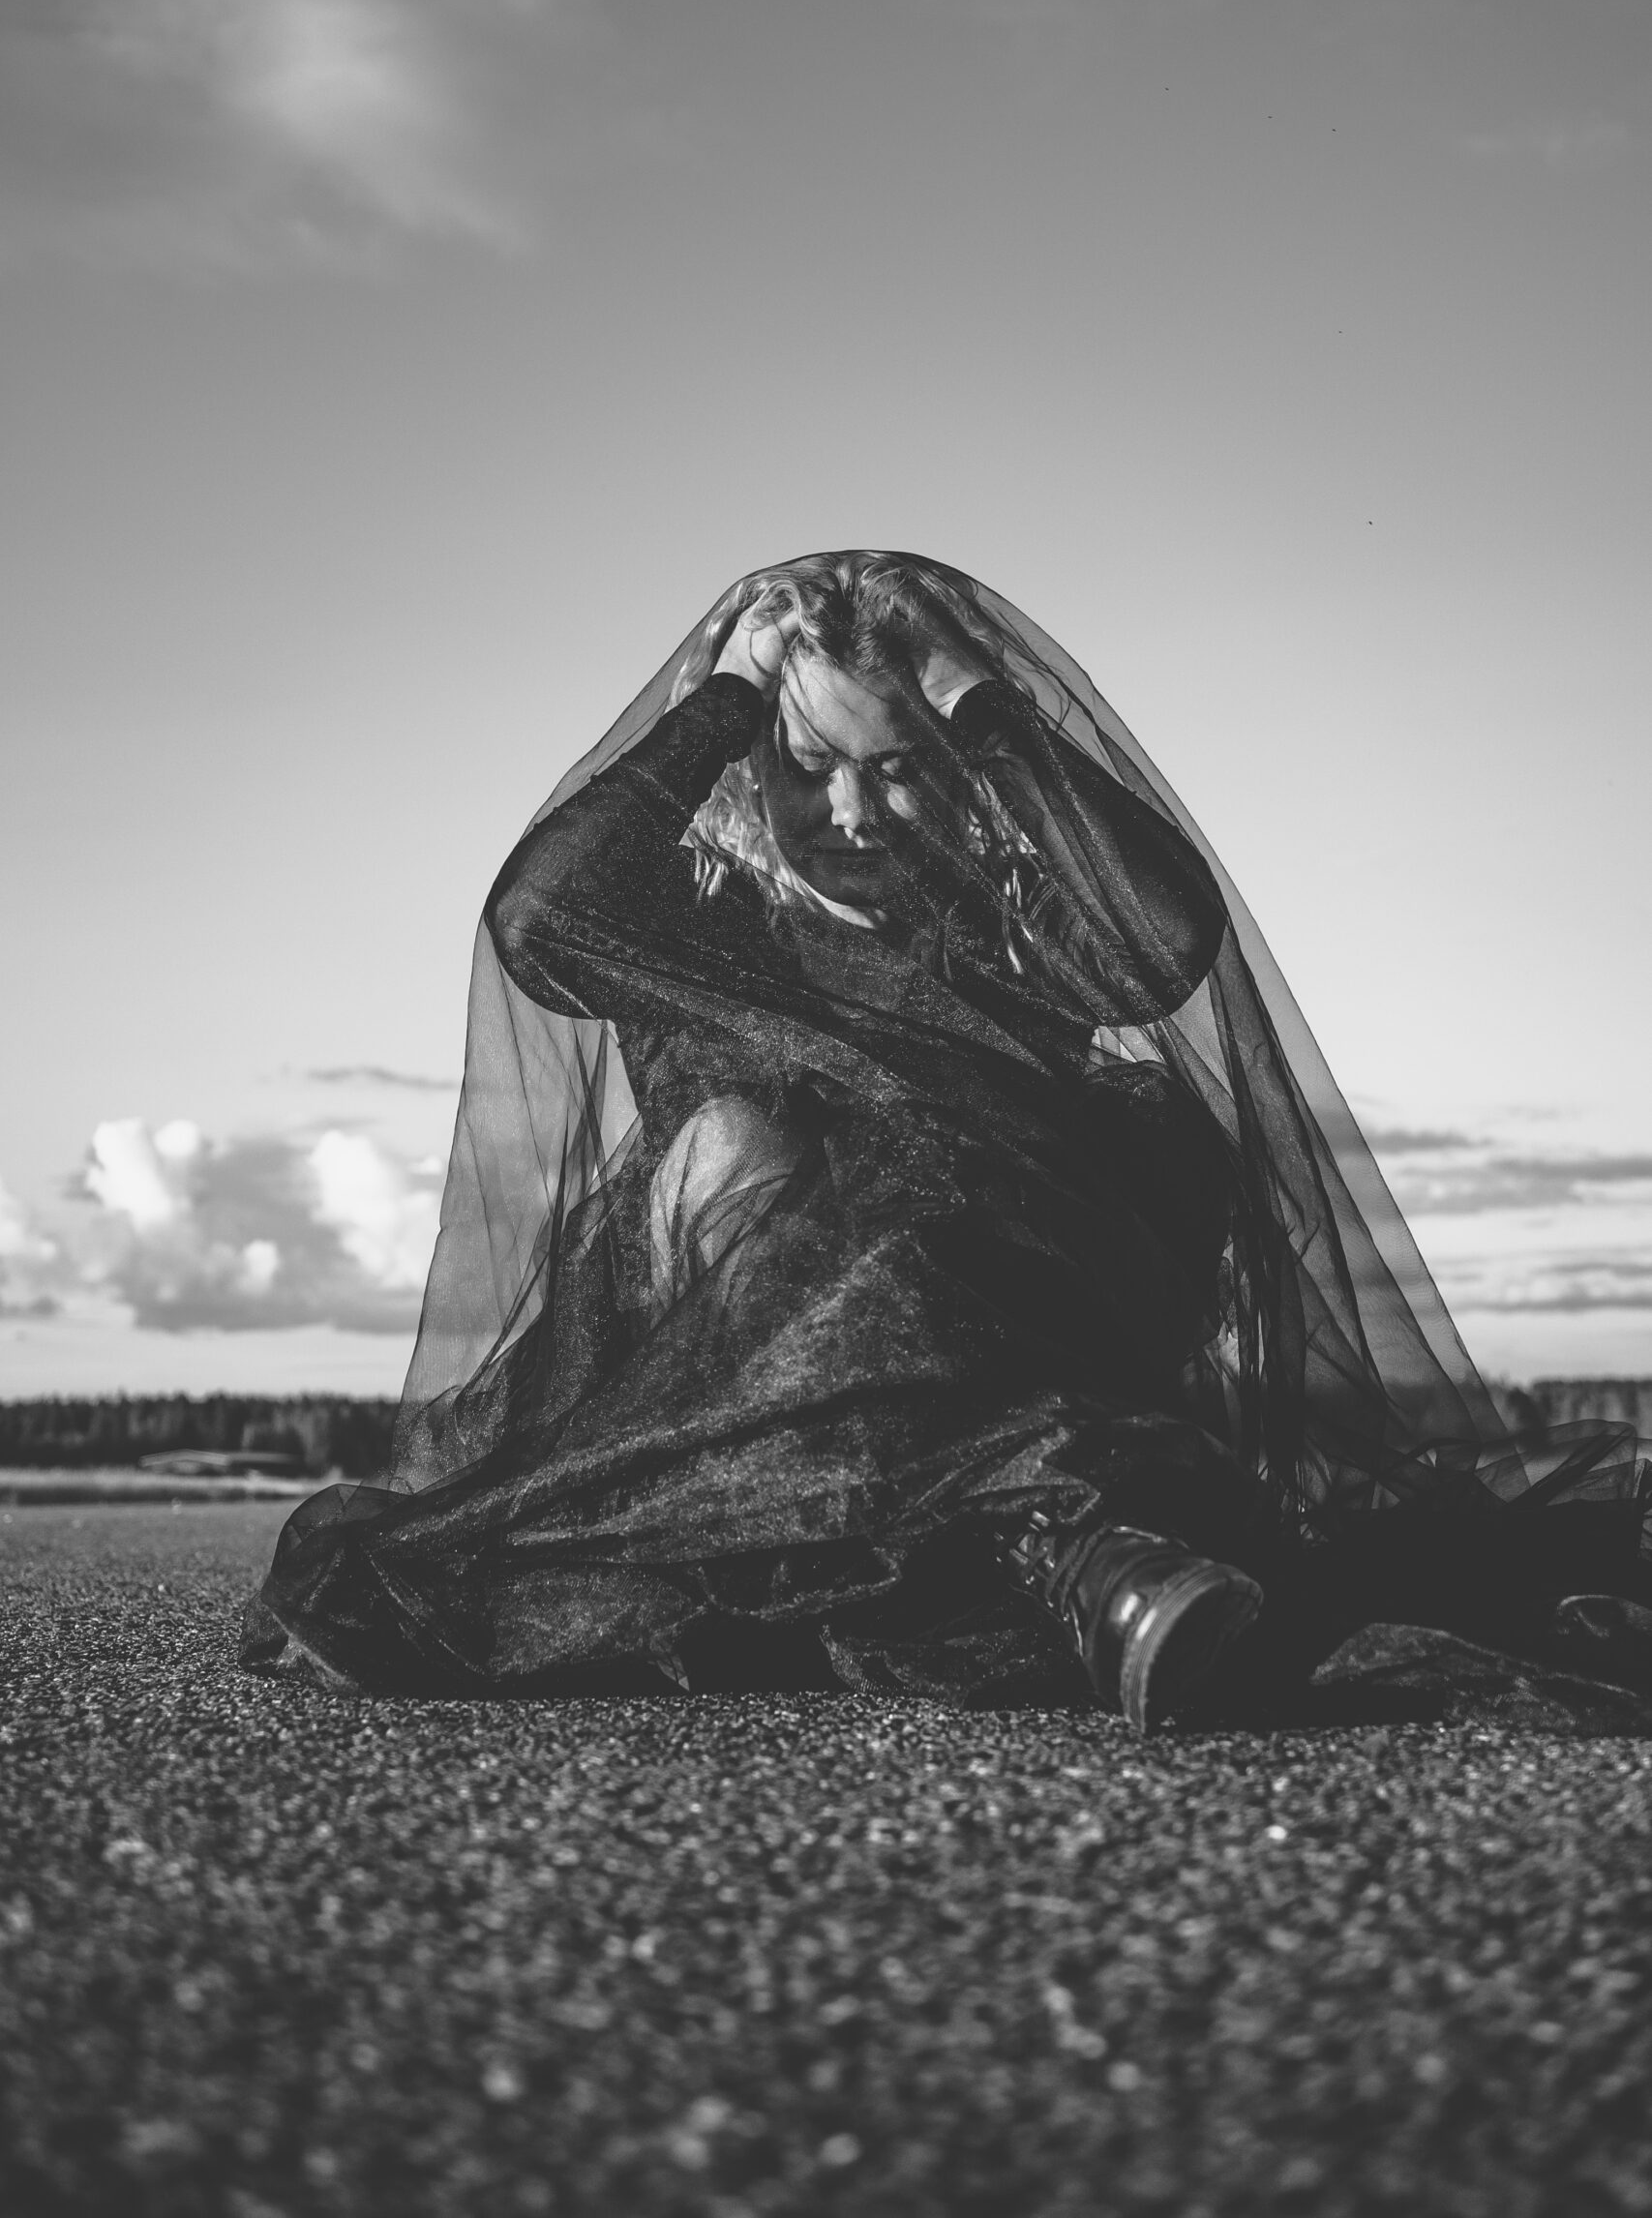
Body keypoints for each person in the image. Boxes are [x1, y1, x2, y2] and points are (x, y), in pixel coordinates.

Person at [243, 553, 1650, 1727]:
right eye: (807, 766)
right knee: (738, 1143)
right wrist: (728, 695)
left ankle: (1084, 1562)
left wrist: (981, 699)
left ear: (960, 769)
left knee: (1056, 1171)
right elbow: (538, 919)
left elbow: (1170, 944)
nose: (853, 814)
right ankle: (1083, 1554)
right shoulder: (699, 928)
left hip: (1009, 1334)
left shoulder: (1017, 938)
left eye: (901, 766)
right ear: (749, 762)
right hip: (739, 1407)